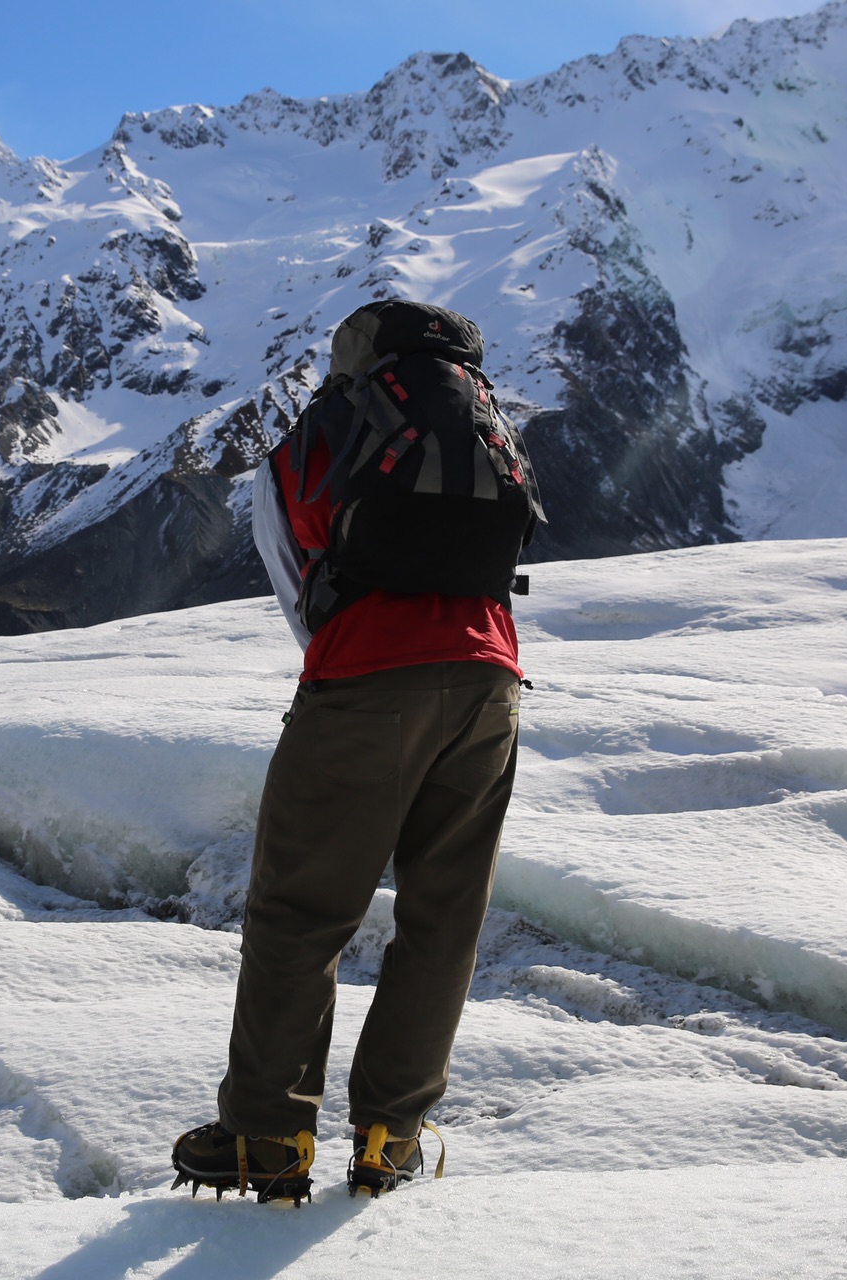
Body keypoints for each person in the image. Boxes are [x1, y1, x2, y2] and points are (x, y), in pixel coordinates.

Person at [172, 299, 541, 1204]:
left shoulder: (330, 425)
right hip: (491, 682)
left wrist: (347, 674)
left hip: (367, 687)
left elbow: (295, 575)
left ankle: (267, 1137)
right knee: (443, 917)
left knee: (302, 914)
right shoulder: (488, 424)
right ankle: (392, 1134)